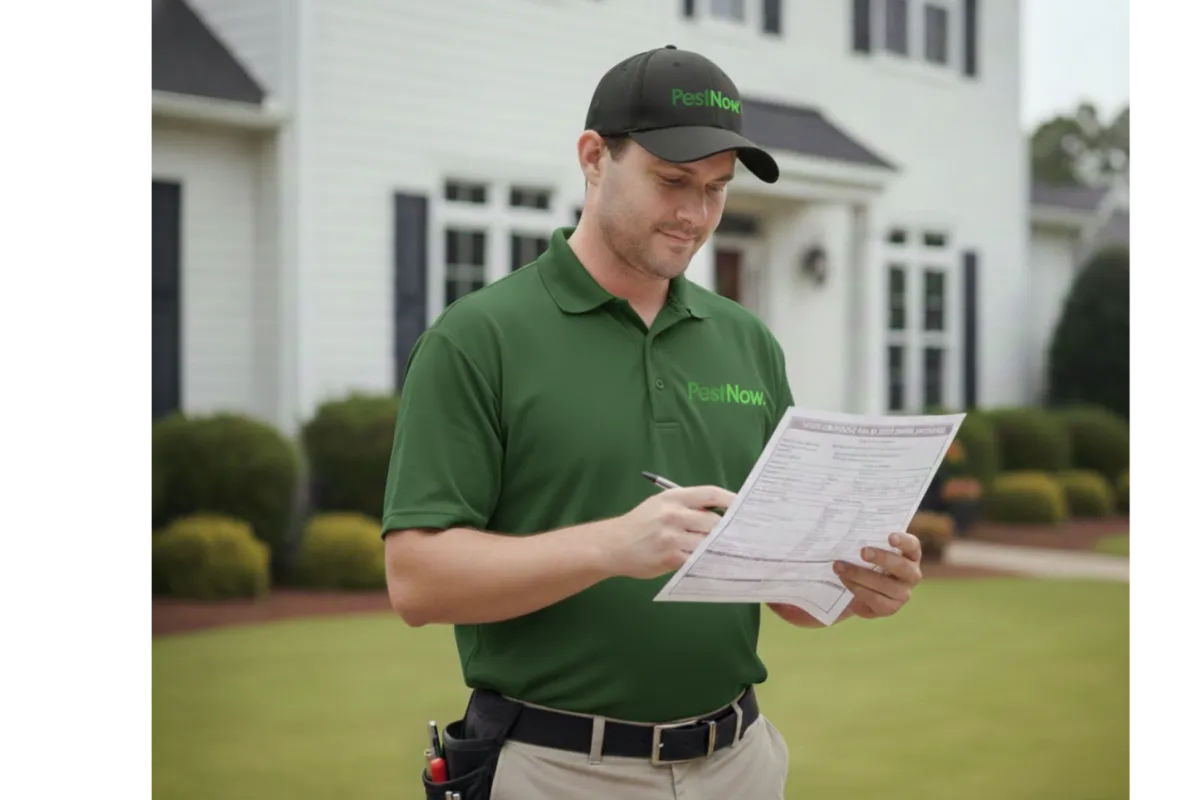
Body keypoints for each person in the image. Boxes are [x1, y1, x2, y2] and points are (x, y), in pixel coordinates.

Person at [382, 44, 925, 800]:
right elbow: (415, 581)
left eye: (716, 189)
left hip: (740, 762)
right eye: (672, 181)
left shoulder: (748, 343)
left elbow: (784, 587)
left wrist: (855, 587)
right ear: (594, 157)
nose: (695, 215)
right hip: (557, 771)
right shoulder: (477, 339)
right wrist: (612, 545)